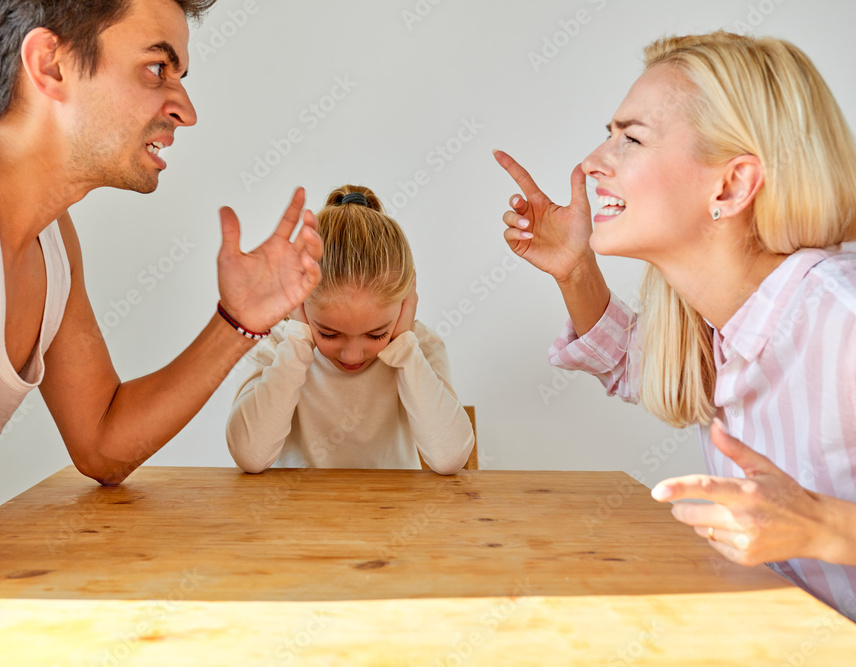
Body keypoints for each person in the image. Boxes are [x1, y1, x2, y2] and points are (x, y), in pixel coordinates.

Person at [0, 0, 323, 590]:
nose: (185, 109)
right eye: (157, 68)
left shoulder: (51, 238)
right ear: (50, 65)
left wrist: (237, 322)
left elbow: (103, 443)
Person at [493, 31, 856, 620]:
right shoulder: (718, 320)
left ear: (731, 185)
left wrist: (821, 525)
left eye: (631, 139)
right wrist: (575, 270)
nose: (589, 164)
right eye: (608, 134)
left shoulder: (843, 321)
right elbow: (641, 365)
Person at [226, 186, 475, 474]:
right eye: (329, 333)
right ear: (299, 301)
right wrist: (298, 341)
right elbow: (249, 456)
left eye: (376, 334)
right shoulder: (273, 345)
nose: (353, 354)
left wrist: (406, 349)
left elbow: (450, 459)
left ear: (406, 301)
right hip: (291, 516)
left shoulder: (419, 347)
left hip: (392, 515)